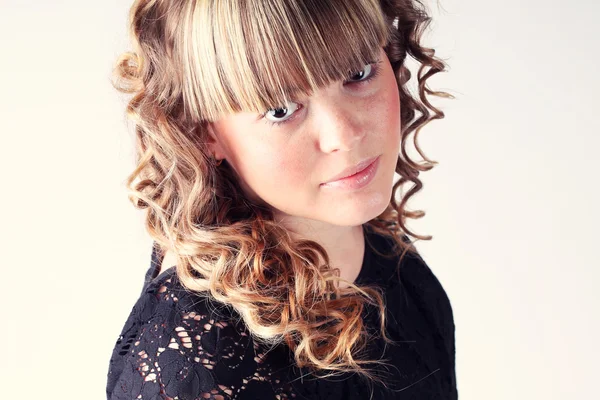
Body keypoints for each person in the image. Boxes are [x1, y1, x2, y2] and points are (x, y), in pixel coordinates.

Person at [106, 0, 457, 399]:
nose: (344, 135)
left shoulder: (357, 235)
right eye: (280, 109)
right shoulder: (197, 367)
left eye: (358, 73)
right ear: (205, 133)